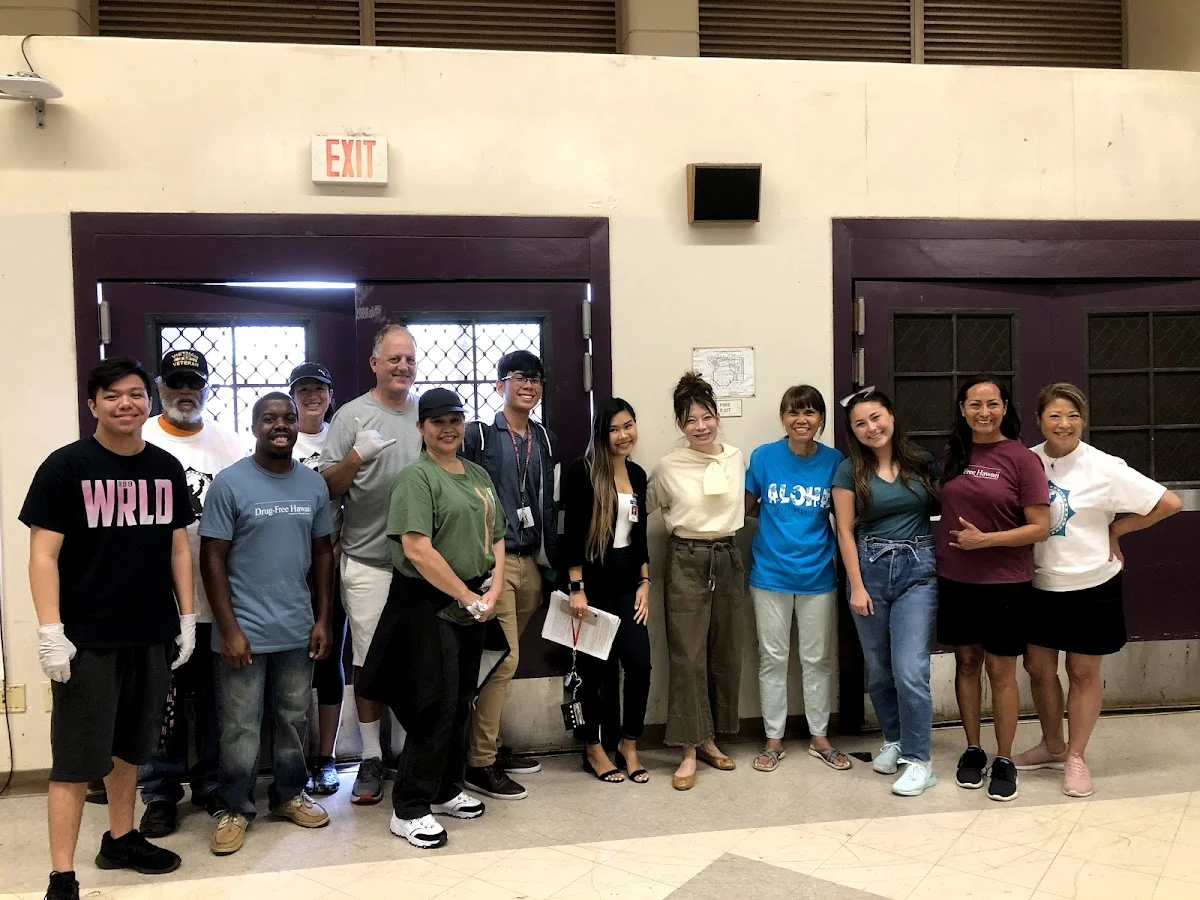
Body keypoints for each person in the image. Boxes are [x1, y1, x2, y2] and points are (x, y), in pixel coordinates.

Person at [21, 357, 197, 900]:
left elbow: (176, 546)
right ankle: (61, 877)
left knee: (131, 750)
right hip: (86, 640)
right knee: (76, 761)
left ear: (151, 402)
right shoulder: (64, 467)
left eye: (137, 394)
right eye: (114, 395)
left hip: (150, 633)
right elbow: (43, 556)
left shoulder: (166, 468)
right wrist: (51, 631)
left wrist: (186, 617)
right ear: (93, 404)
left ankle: (120, 839)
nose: (127, 404)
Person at [1013, 383, 1182, 798]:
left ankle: (1076, 756)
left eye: (1073, 416)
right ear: (1039, 420)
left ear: (1083, 421)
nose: (1064, 424)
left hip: (1092, 582)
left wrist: (1117, 528)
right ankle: (1052, 744)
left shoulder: (1105, 466)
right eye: (1054, 415)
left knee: (1083, 672)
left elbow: (1169, 503)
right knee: (1038, 668)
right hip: (1037, 582)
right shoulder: (1026, 461)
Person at [357, 388, 506, 849]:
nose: (448, 429)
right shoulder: (415, 478)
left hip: (473, 602)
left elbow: (496, 536)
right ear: (421, 429)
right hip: (429, 604)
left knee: (462, 698)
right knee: (433, 703)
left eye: (455, 420)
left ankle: (445, 789)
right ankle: (410, 808)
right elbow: (417, 549)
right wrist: (464, 595)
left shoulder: (477, 473)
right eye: (437, 421)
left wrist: (493, 590)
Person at [200, 392, 336, 855]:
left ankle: (288, 795)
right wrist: (230, 629)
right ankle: (235, 807)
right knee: (239, 726)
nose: (280, 425)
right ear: (254, 425)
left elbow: (322, 554)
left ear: (297, 425)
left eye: (287, 418)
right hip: (243, 632)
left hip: (297, 629)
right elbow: (212, 559)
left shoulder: (313, 485)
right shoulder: (230, 484)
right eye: (269, 418)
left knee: (293, 719)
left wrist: (323, 618)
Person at [138, 348, 246, 837]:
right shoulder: (140, 440)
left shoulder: (231, 444)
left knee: (213, 699)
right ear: (160, 388)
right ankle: (159, 791)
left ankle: (208, 782)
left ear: (208, 388)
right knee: (160, 700)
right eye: (175, 382)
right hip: (155, 599)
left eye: (194, 383)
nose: (185, 391)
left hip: (218, 597)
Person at [318, 324, 422, 804]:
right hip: (368, 562)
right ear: (375, 364)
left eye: (409, 359)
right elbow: (328, 490)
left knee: (417, 661)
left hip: (423, 566)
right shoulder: (351, 416)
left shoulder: (429, 415)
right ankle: (371, 758)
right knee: (368, 663)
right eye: (393, 359)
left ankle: (410, 753)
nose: (402, 367)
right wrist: (357, 456)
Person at [936, 375, 1050, 802]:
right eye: (974, 404)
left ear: (1005, 408)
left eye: (992, 404)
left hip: (1006, 583)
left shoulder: (1022, 460)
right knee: (966, 664)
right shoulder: (954, 454)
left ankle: (1003, 758)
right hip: (956, 579)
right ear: (962, 409)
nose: (984, 413)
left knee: (1001, 672)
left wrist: (985, 540)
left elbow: (1040, 528)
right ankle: (972, 749)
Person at [460, 350, 559, 800]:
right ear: (500, 384)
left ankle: (490, 745)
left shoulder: (544, 438)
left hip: (531, 563)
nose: (530, 385)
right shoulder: (479, 434)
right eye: (520, 377)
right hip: (493, 564)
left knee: (498, 663)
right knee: (504, 661)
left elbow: (550, 504)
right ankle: (480, 763)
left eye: (536, 378)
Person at [832, 388, 940, 796]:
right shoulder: (848, 471)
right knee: (878, 667)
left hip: (918, 571)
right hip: (870, 571)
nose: (871, 428)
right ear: (853, 431)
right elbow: (844, 530)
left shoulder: (922, 462)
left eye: (876, 418)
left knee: (910, 669)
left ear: (891, 416)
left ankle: (919, 761)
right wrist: (856, 586)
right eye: (860, 423)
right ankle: (893, 740)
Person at [648, 373, 745, 791]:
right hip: (685, 558)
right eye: (691, 421)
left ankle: (709, 739)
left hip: (728, 556)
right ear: (680, 426)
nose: (701, 426)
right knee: (687, 656)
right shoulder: (668, 467)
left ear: (717, 417)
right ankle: (687, 750)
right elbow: (642, 512)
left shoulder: (735, 458)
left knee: (723, 651)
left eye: (707, 417)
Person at [745, 386, 849, 774]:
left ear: (821, 419)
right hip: (769, 575)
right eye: (793, 413)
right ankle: (773, 740)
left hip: (818, 575)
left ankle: (819, 737)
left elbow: (843, 520)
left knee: (816, 660)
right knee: (772, 659)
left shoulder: (835, 461)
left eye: (809, 413)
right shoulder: (763, 457)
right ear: (782, 418)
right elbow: (743, 508)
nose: (801, 420)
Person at [563, 399, 652, 785]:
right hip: (591, 588)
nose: (623, 435)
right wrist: (576, 588)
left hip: (628, 586)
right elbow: (571, 538)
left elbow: (640, 536)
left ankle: (629, 744)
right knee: (593, 672)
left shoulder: (638, 474)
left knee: (640, 664)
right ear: (602, 433)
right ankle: (593, 748)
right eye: (614, 429)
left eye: (628, 426)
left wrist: (646, 582)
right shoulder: (581, 473)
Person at [289, 362, 346, 795]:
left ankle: (325, 758)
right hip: (285, 571)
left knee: (329, 663)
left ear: (330, 394)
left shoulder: (339, 437)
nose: (312, 396)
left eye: (319, 388)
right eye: (303, 388)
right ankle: (290, 759)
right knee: (289, 665)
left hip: (333, 566)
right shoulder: (280, 438)